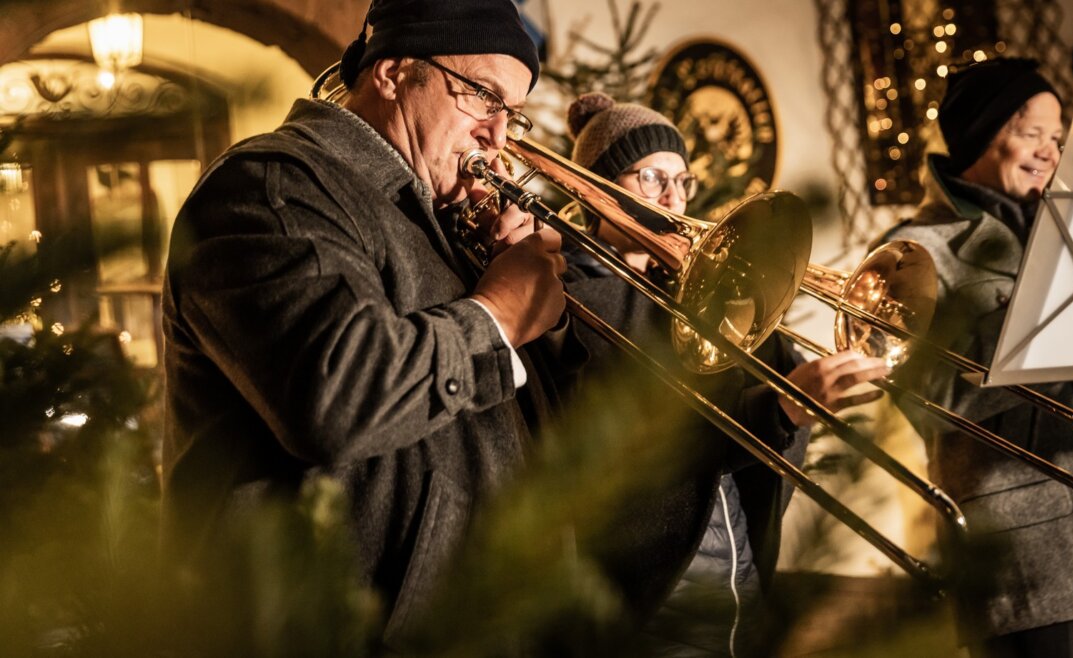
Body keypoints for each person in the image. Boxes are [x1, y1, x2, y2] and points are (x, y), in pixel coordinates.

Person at [160, 0, 569, 648]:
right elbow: (334, 395)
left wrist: (525, 306)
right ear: (395, 72)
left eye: (511, 113)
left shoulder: (433, 216)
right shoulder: (269, 185)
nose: (499, 135)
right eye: (483, 96)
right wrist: (493, 316)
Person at [562, 92, 892, 657]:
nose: (674, 199)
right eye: (651, 179)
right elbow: (649, 446)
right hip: (654, 599)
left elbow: (760, 429)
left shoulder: (688, 296)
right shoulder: (572, 297)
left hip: (740, 579)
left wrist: (773, 327)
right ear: (598, 190)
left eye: (683, 180)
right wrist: (784, 407)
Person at [881, 57, 1073, 657]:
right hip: (1028, 567)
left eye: (1057, 137)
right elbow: (926, 400)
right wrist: (1043, 329)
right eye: (1030, 132)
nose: (1049, 152)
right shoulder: (913, 250)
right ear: (981, 135)